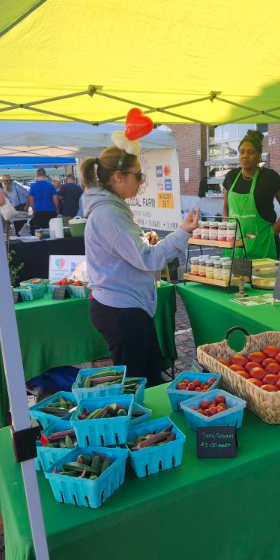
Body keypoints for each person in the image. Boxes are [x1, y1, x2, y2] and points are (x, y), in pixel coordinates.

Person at [81, 145, 199, 385]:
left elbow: (130, 252)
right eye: (138, 175)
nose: (141, 181)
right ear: (117, 176)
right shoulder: (109, 214)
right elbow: (149, 259)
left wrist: (143, 242)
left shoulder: (111, 209)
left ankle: (148, 419)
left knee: (148, 375)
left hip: (123, 306)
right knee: (139, 383)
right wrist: (183, 232)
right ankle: (142, 421)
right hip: (121, 310)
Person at [222, 130, 280, 259]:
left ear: (259, 156)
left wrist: (277, 228)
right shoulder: (231, 177)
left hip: (264, 242)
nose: (245, 156)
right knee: (237, 278)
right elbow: (226, 207)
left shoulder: (270, 177)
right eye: (242, 151)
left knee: (264, 278)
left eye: (251, 152)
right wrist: (227, 227)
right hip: (236, 244)